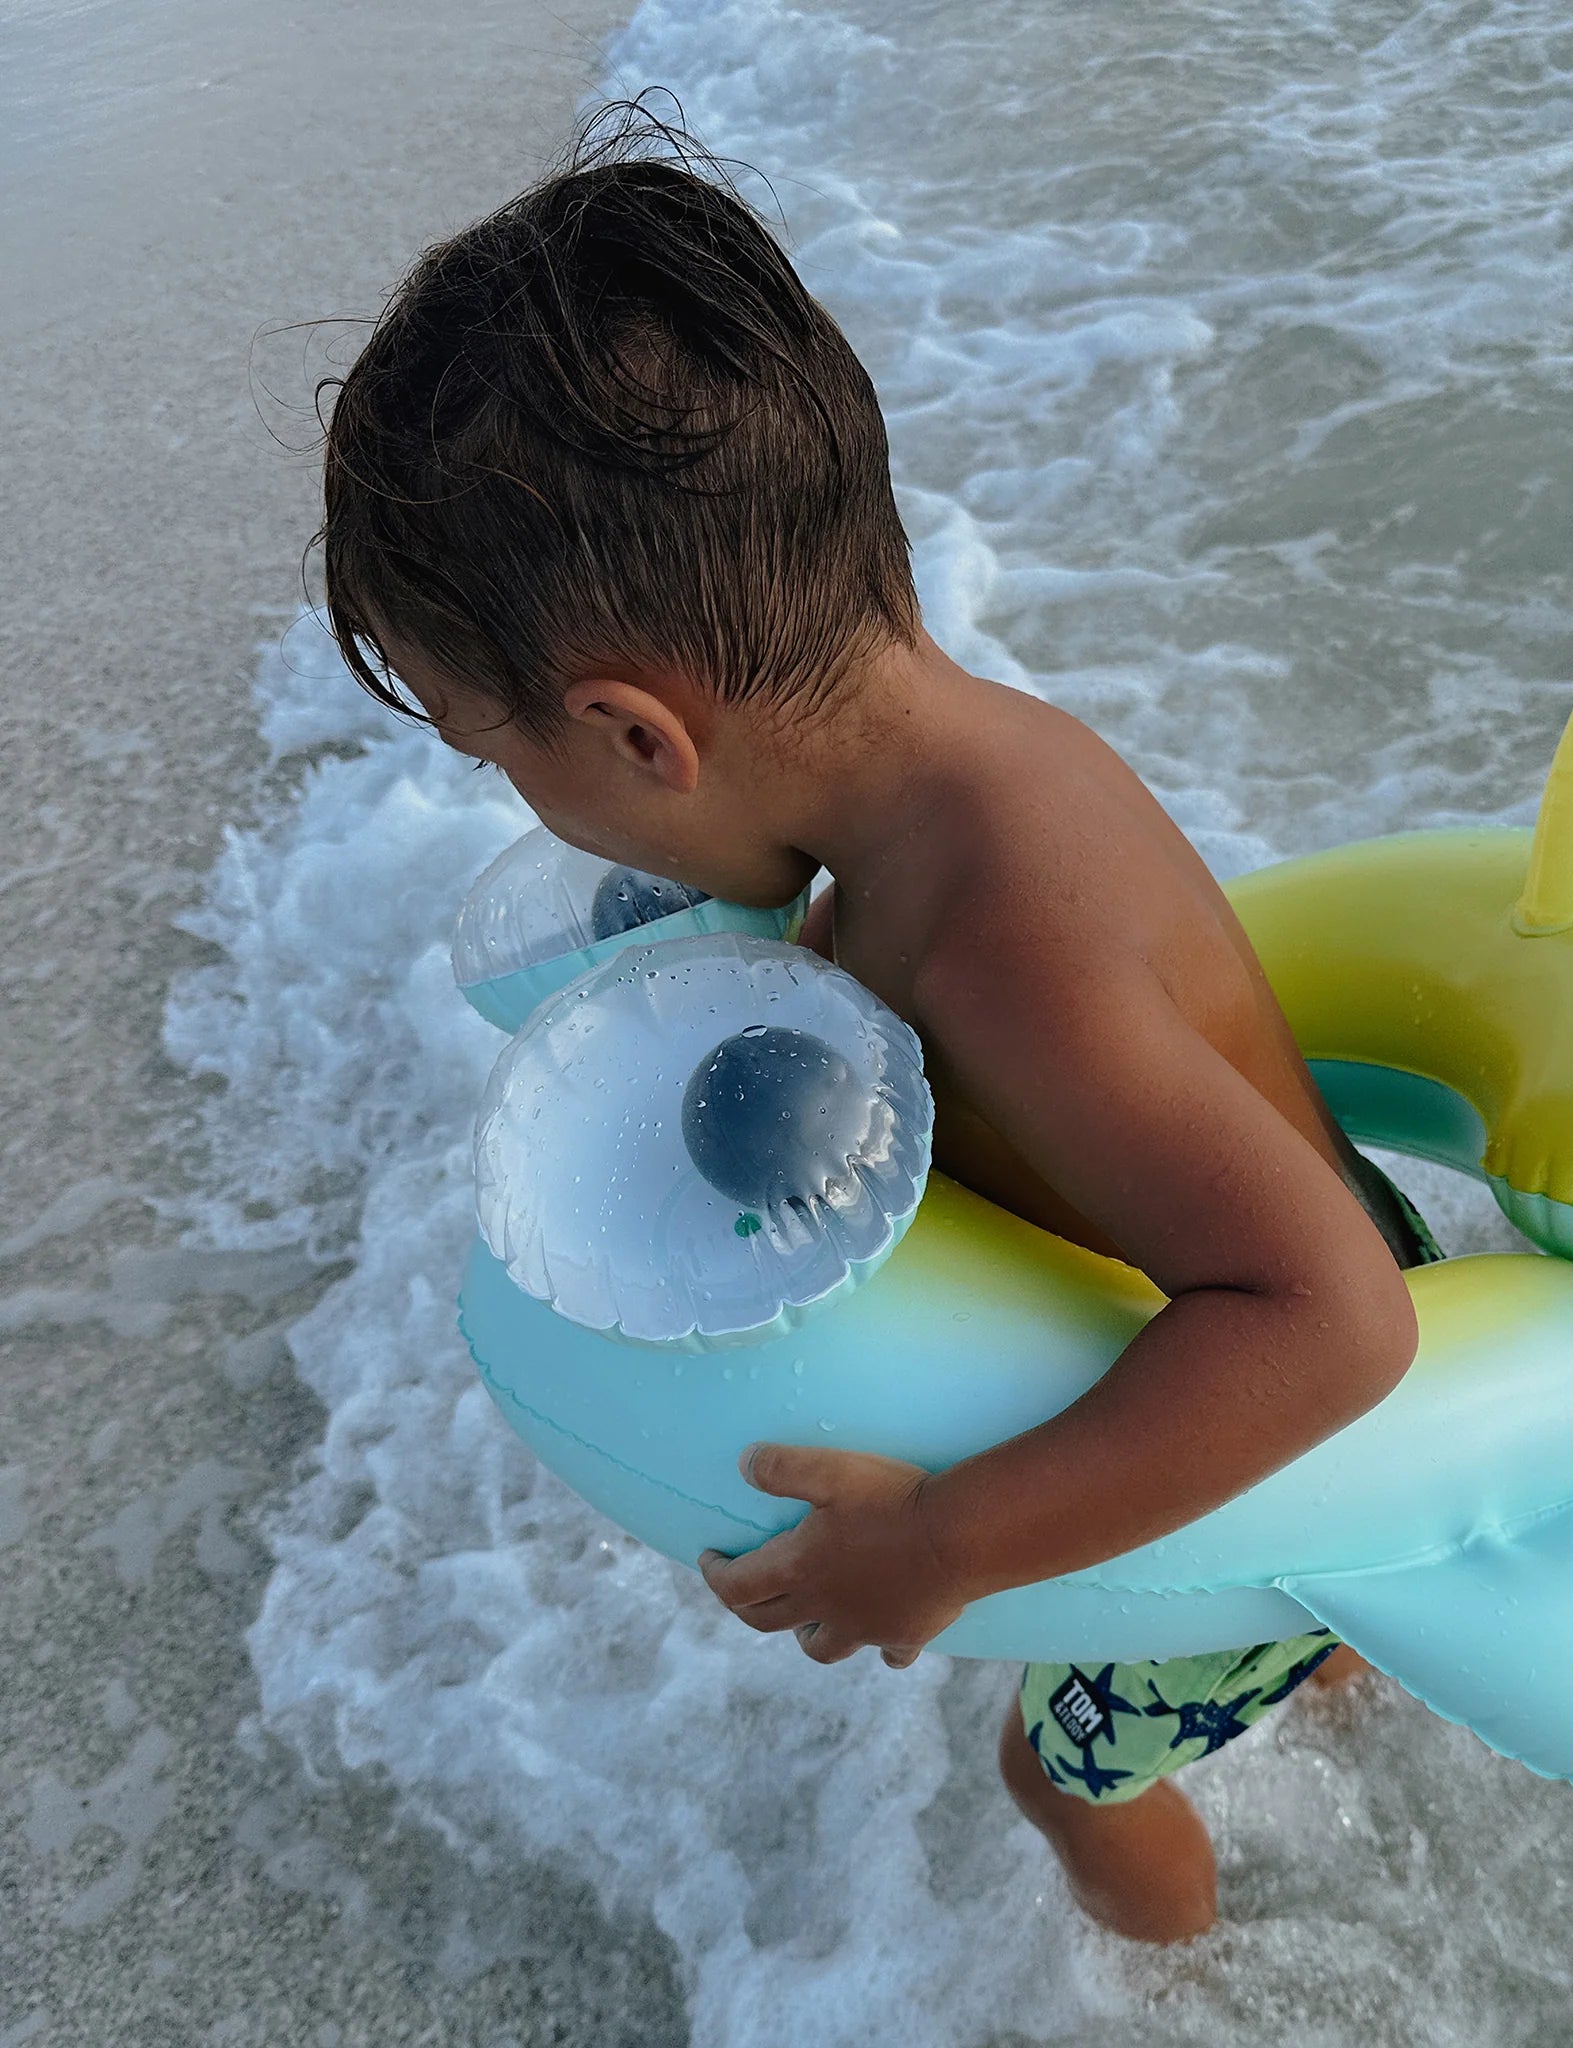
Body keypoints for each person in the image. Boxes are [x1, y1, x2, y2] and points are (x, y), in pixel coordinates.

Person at [317, 102, 1437, 1945]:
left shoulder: (1001, 946)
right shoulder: (946, 770)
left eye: (489, 750)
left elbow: (1334, 1324)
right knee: (1296, 1621)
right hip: (1242, 1224)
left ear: (633, 737)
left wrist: (948, 1545)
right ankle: (1348, 1659)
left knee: (1063, 1766)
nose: (523, 803)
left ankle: (1194, 1976)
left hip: (1277, 1390)